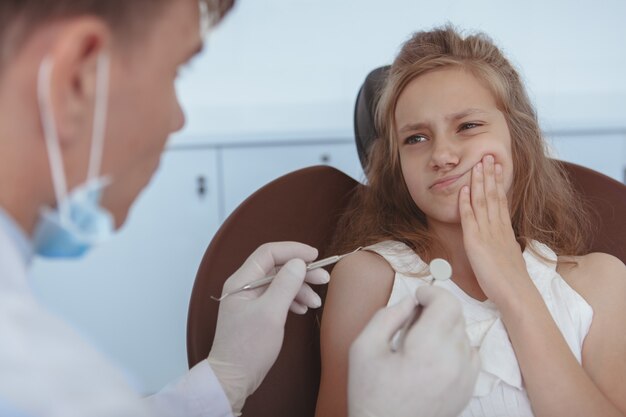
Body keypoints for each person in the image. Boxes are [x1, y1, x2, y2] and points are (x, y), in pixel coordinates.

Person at [0, 2, 479, 417]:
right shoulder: (38, 383)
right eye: (175, 71)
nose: (178, 117)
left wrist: (224, 378)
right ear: (76, 78)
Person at [315, 25, 626, 417]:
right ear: (397, 167)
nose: (442, 154)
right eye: (416, 138)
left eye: (468, 126)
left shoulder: (599, 282)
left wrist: (511, 282)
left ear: (518, 137)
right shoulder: (368, 278)